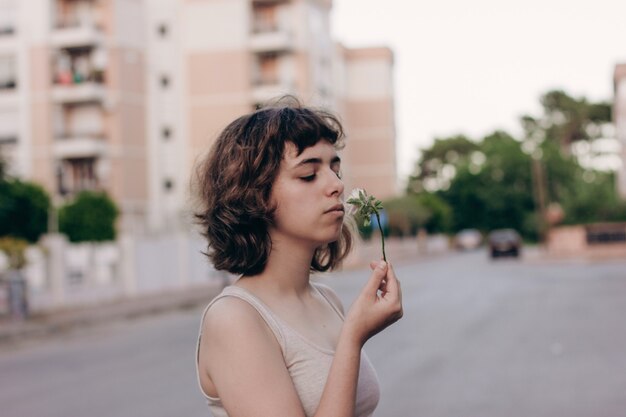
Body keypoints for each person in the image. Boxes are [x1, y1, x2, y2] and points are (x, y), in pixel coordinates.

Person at [194, 100, 403, 417]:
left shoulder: (326, 298)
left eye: (334, 168)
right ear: (256, 196)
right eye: (308, 174)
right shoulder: (235, 319)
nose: (336, 185)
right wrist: (353, 337)